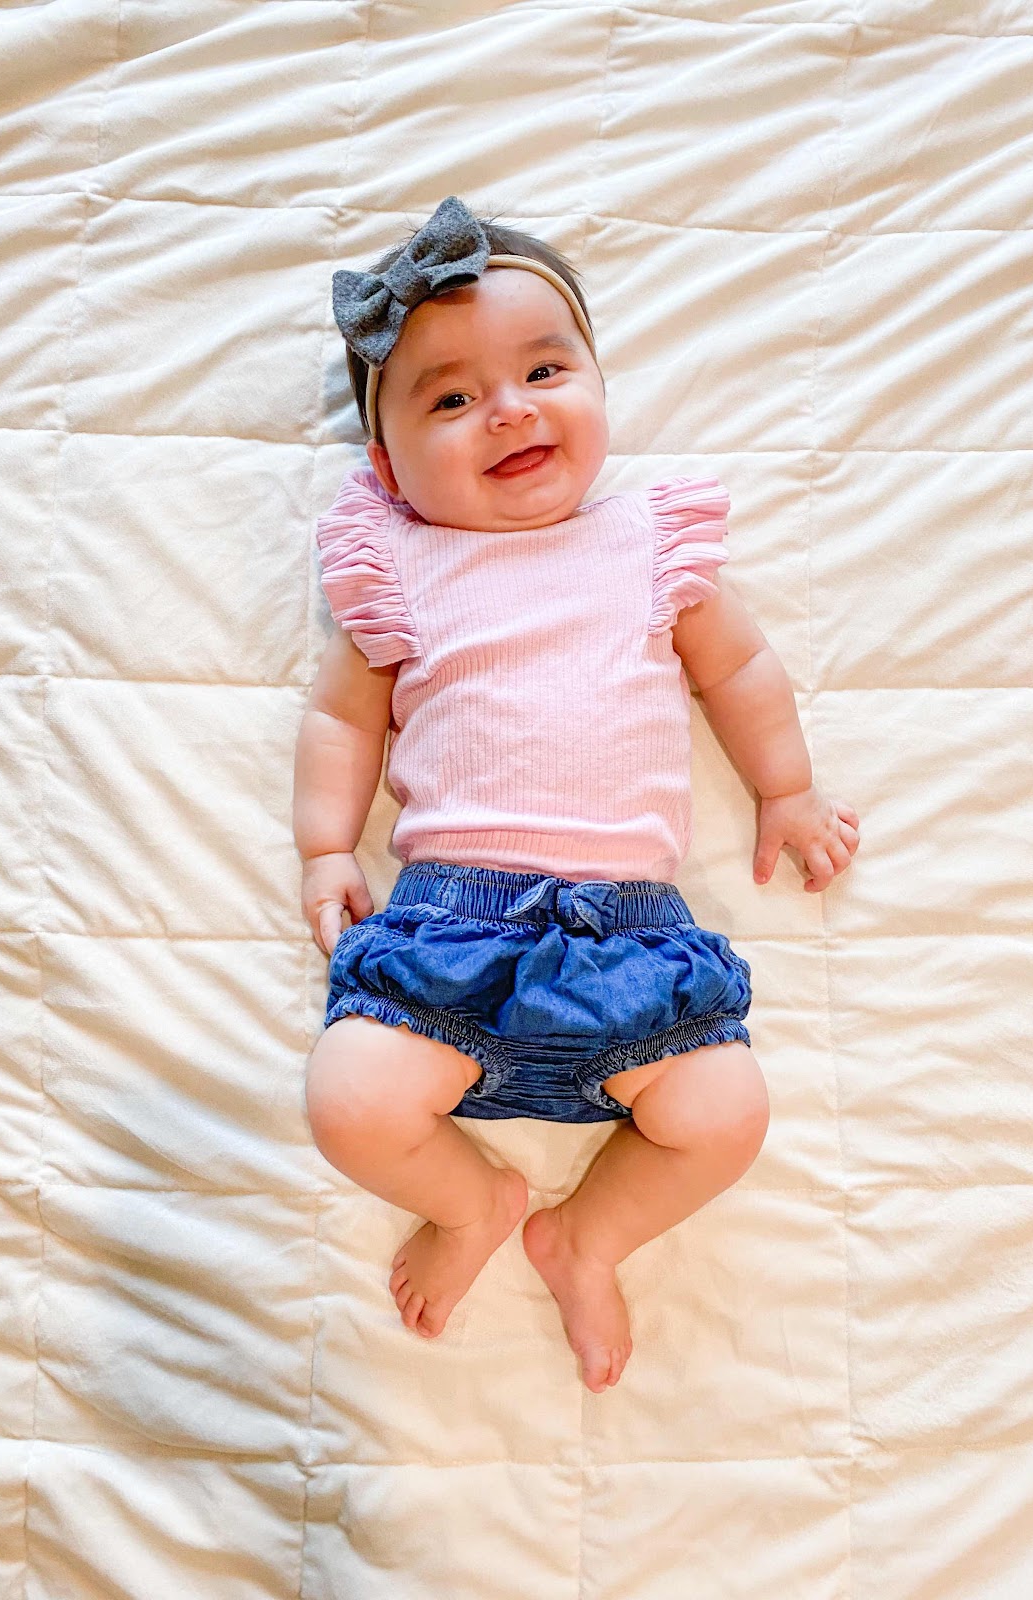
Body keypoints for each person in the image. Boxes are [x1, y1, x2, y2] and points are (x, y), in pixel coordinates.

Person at [293, 196, 860, 1393]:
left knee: (727, 1114)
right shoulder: (401, 565)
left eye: (544, 370)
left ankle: (586, 1238)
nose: (508, 408)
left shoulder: (650, 543)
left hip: (629, 938)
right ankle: (472, 1202)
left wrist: (788, 788)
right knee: (346, 1102)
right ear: (388, 467)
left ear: (598, 385)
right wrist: (326, 846)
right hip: (450, 930)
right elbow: (343, 717)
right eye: (451, 399)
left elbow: (740, 671)